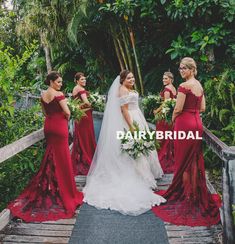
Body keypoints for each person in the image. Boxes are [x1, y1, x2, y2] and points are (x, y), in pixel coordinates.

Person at [83, 70, 166, 216]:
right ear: (122, 80)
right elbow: (124, 111)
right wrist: (132, 128)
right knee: (133, 149)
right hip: (130, 120)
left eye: (133, 77)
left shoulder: (128, 89)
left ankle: (143, 175)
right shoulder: (122, 90)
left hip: (137, 116)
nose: (132, 79)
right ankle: (137, 176)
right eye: (129, 78)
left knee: (142, 147)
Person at [152, 58, 221, 226]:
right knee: (193, 160)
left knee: (183, 161)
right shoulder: (199, 85)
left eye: (184, 68)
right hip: (196, 123)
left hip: (184, 124)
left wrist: (173, 119)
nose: (181, 71)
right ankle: (195, 194)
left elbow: (177, 108)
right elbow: (203, 107)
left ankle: (187, 197)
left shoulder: (184, 86)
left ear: (192, 69)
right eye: (180, 68)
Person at [8, 71, 83, 222]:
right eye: (58, 82)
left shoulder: (43, 95)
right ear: (51, 82)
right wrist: (66, 114)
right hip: (60, 126)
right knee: (62, 159)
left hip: (49, 126)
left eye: (61, 82)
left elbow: (44, 112)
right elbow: (68, 112)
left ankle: (51, 187)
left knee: (51, 156)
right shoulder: (59, 94)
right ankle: (65, 192)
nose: (60, 84)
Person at [71, 72, 96, 175]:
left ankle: (80, 158)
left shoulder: (74, 89)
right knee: (87, 136)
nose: (84, 81)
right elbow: (86, 102)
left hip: (79, 115)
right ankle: (87, 158)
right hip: (85, 115)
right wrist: (95, 104)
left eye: (85, 79)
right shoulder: (81, 89)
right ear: (77, 81)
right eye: (82, 79)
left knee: (81, 136)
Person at [154, 72, 176, 173]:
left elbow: (165, 104)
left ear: (171, 79)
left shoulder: (167, 90)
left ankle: (163, 163)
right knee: (168, 138)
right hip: (171, 117)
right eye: (163, 78)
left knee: (161, 139)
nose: (164, 80)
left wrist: (156, 111)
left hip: (164, 117)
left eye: (166, 78)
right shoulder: (174, 88)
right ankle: (170, 160)